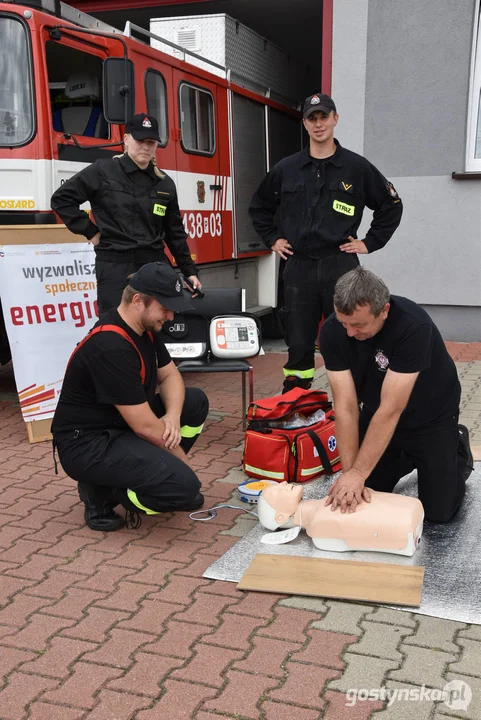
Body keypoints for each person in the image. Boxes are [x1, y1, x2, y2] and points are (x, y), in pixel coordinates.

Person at [249, 92, 403, 394]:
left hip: (340, 267)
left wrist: (369, 243)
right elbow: (259, 207)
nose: (318, 124)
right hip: (299, 267)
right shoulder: (286, 169)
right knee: (298, 341)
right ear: (305, 123)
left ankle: (357, 399)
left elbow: (391, 205)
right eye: (312, 118)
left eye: (324, 117)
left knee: (352, 333)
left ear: (335, 118)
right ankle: (297, 401)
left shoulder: (356, 168)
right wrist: (272, 239)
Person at [52, 262, 208, 532]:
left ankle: (146, 473)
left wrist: (171, 416)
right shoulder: (111, 345)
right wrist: (182, 465)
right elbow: (146, 427)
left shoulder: (145, 328)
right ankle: (104, 493)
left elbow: (170, 376)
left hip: (119, 426)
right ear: (138, 301)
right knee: (186, 491)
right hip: (88, 444)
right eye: (165, 308)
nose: (170, 317)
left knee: (194, 402)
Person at [319, 266, 474, 523]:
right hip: (375, 409)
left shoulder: (413, 327)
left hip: (430, 416)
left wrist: (359, 473)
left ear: (384, 311)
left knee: (437, 513)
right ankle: (405, 458)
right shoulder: (333, 330)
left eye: (358, 325)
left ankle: (455, 447)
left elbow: (392, 409)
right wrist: (351, 474)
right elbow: (345, 407)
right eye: (344, 322)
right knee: (366, 494)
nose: (349, 332)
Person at [51, 113, 201, 316]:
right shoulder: (103, 171)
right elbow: (61, 199)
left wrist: (189, 271)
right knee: (114, 325)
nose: (146, 147)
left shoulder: (164, 183)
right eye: (140, 141)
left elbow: (174, 233)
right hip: (115, 266)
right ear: (127, 139)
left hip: (153, 265)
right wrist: (91, 232)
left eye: (151, 142)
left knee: (156, 325)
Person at [257, 482, 424, 557]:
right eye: (278, 491)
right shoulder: (319, 526)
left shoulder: (322, 509)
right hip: (405, 523)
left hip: (408, 517)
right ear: (281, 517)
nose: (284, 482)